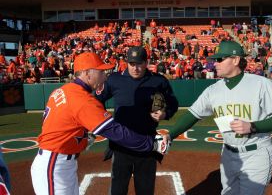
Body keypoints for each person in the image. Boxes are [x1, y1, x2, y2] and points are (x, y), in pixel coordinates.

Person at [30, 52, 169, 195]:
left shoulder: (64, 90)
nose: (105, 75)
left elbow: (61, 123)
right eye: (101, 71)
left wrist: (81, 137)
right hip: (54, 164)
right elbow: (116, 131)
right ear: (87, 73)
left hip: (60, 162)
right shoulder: (82, 99)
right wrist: (152, 143)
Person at [166, 41, 272, 195]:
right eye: (215, 60)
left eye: (220, 59)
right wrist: (170, 134)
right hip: (228, 153)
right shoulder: (213, 90)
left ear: (236, 60)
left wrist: (252, 126)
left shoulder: (261, 84)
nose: (215, 64)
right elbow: (192, 115)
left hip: (256, 153)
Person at [96, 46, 178, 195]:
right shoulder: (115, 79)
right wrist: (104, 118)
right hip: (121, 146)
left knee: (145, 191)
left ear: (146, 63)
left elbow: (173, 103)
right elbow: (96, 100)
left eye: (139, 63)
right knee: (117, 190)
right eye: (132, 63)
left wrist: (164, 114)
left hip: (147, 145)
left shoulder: (158, 81)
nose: (136, 68)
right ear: (126, 62)